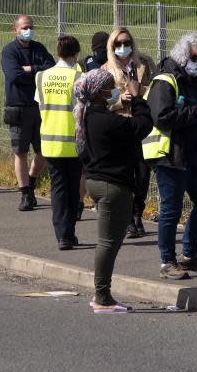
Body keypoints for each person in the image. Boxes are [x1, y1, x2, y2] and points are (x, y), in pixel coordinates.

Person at [75, 69, 153, 312]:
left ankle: (103, 294)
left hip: (98, 182)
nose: (113, 91)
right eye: (109, 88)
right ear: (99, 93)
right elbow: (142, 126)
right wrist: (138, 98)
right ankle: (102, 296)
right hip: (112, 186)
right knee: (108, 242)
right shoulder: (105, 120)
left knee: (110, 240)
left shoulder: (89, 116)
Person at [144, 33, 197, 280]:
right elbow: (162, 117)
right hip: (171, 154)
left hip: (195, 156)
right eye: (195, 57)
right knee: (171, 209)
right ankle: (167, 261)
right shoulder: (165, 80)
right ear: (184, 54)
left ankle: (189, 255)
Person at [102, 27, 156, 239]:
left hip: (143, 125)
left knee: (142, 175)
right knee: (124, 176)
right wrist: (118, 101)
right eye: (118, 44)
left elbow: (157, 89)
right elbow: (101, 102)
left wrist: (138, 93)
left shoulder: (145, 64)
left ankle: (137, 216)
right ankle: (126, 219)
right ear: (112, 47)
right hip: (120, 128)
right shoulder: (106, 70)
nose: (123, 47)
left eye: (126, 42)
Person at [2, 14, 55, 211]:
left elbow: (51, 69)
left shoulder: (39, 48)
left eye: (30, 27)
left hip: (39, 107)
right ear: (15, 30)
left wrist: (31, 68)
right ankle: (25, 193)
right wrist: (37, 74)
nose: (28, 30)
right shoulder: (9, 51)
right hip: (18, 107)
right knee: (21, 152)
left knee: (44, 151)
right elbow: (14, 75)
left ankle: (32, 181)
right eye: (24, 27)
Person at [35, 36, 81, 249]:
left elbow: (40, 104)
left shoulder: (42, 76)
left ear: (57, 53)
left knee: (58, 189)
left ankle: (62, 234)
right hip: (73, 142)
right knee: (73, 190)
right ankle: (69, 232)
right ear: (76, 55)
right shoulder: (78, 77)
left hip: (50, 142)